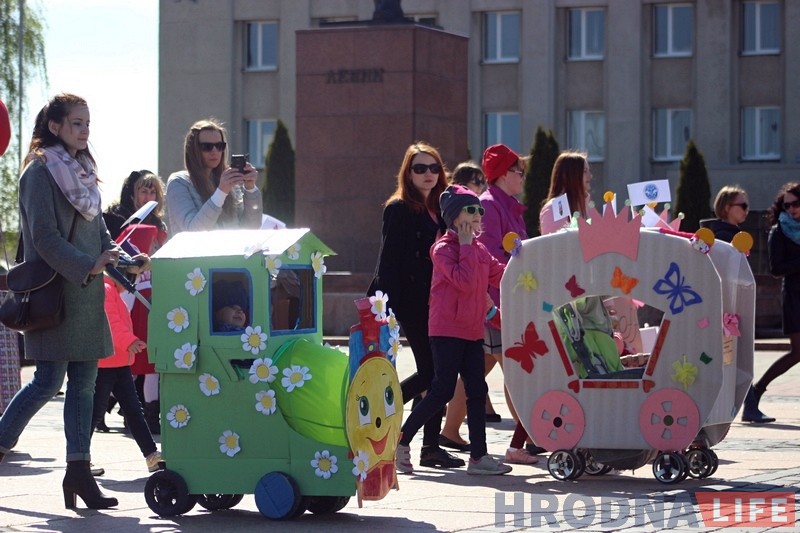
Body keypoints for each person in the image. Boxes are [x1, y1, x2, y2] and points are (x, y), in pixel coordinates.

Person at [0, 93, 146, 509]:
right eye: (77, 123)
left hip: (86, 293)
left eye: (87, 123)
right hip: (54, 294)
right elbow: (43, 239)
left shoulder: (82, 170)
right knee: (48, 381)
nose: (84, 130)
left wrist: (123, 261)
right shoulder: (38, 173)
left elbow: (98, 232)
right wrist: (89, 265)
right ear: (55, 126)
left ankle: (79, 474)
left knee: (84, 385)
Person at [395, 185, 511, 476]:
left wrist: (524, 265)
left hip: (472, 331)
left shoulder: (480, 250)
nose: (477, 215)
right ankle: (401, 440)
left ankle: (479, 457)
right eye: (470, 209)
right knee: (441, 390)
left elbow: (501, 276)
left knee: (477, 390)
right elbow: (465, 281)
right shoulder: (443, 249)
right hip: (446, 331)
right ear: (453, 216)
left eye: (478, 210)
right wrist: (467, 244)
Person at [368, 142, 462, 469]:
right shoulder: (399, 208)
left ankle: (430, 447)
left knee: (438, 375)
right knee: (435, 374)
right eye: (419, 168)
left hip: (440, 301)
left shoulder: (445, 207)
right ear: (407, 173)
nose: (428, 174)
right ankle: (382, 414)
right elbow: (388, 261)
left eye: (433, 167)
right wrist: (384, 307)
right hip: (411, 301)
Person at [474, 144, 539, 465]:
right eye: (518, 172)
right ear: (501, 174)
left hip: (510, 301)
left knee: (473, 373)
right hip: (500, 305)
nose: (522, 177)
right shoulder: (489, 206)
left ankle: (444, 434)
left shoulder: (508, 205)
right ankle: (524, 441)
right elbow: (490, 259)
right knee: (518, 371)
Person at [91, 271, 161, 473]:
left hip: (117, 362)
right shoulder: (106, 290)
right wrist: (129, 342)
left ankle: (151, 455)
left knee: (134, 411)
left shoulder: (111, 290)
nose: (132, 281)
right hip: (107, 364)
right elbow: (111, 324)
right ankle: (80, 460)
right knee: (98, 413)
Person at [742, 182, 800, 423]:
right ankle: (754, 394)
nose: (792, 209)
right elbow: (776, 268)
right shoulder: (779, 231)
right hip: (796, 296)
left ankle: (754, 396)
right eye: (787, 205)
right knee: (797, 352)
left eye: (796, 203)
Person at [166, 119, 262, 235]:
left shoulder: (228, 183)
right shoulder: (178, 182)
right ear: (193, 150)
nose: (215, 151)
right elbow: (192, 231)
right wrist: (221, 192)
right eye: (207, 147)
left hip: (230, 252)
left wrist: (250, 188)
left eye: (220, 146)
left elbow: (251, 229)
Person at [103, 169, 168, 242]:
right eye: (144, 191)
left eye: (152, 192)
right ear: (132, 195)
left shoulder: (158, 224)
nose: (148, 197)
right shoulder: (114, 220)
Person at [539, 150, 592, 235]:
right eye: (585, 171)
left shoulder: (587, 206)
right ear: (570, 175)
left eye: (589, 171)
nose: (590, 176)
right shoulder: (556, 207)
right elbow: (554, 245)